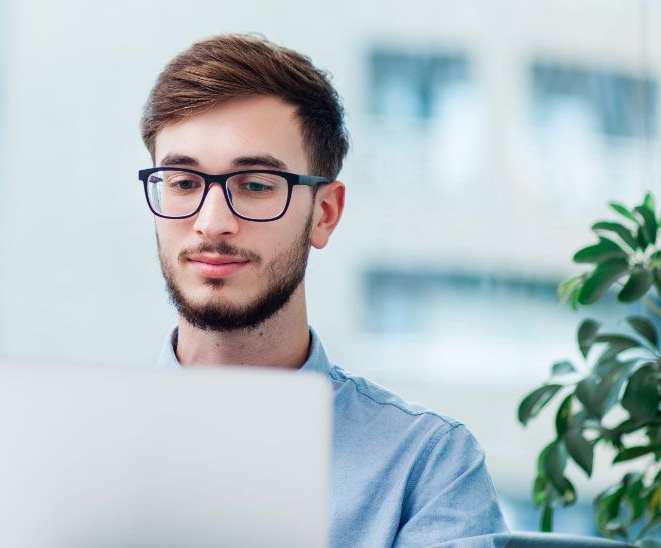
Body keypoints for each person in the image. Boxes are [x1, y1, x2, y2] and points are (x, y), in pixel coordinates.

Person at [140, 33, 510, 547]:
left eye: (256, 185)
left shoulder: (427, 466)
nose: (212, 222)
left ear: (325, 213)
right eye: (183, 182)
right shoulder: (70, 445)